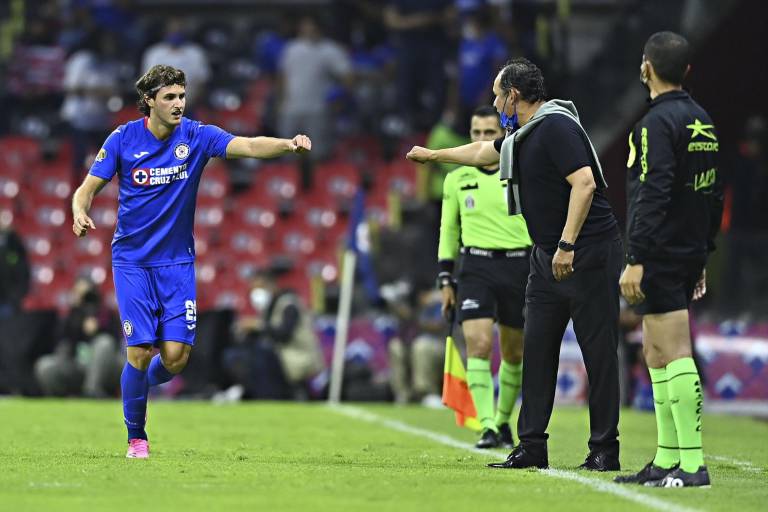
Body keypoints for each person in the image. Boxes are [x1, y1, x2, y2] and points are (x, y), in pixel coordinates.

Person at [71, 64, 312, 458]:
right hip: (132, 262)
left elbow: (249, 146)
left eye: (181, 96)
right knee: (138, 351)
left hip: (176, 264)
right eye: (169, 97)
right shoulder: (122, 138)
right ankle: (137, 438)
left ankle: (137, 383)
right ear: (149, 101)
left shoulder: (197, 136)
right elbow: (86, 189)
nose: (178, 103)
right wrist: (80, 212)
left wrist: (288, 144)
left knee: (176, 358)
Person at [407, 57, 623, 471]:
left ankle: (604, 450)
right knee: (536, 348)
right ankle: (531, 446)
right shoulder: (521, 135)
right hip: (546, 256)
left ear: (514, 96)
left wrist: (567, 244)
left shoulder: (556, 126)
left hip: (588, 252)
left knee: (598, 353)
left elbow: (584, 182)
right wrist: (434, 156)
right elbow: (481, 151)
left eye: (497, 95)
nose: (494, 103)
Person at [615, 31, 723, 488]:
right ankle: (665, 459)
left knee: (674, 351)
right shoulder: (702, 120)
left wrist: (636, 256)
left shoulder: (655, 124)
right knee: (655, 351)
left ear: (647, 67)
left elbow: (652, 192)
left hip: (659, 251)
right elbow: (713, 192)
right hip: (686, 248)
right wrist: (703, 252)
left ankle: (693, 465)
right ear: (687, 71)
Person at [437, 105, 531, 448]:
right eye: (476, 133)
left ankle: (503, 421)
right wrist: (445, 277)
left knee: (514, 352)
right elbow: (449, 230)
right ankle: (487, 425)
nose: (481, 139)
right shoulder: (457, 178)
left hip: (519, 264)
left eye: (488, 133)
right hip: (475, 266)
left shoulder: (520, 170)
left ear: (502, 134)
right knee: (477, 344)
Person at [220, 267, 325, 400]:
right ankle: (245, 391)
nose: (256, 292)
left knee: (262, 353)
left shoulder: (289, 304)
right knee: (237, 354)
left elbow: (284, 335)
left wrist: (257, 326)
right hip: (281, 357)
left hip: (298, 357)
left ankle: (269, 396)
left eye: (260, 287)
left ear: (271, 285)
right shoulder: (270, 307)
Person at [34, 278, 122, 397]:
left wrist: (98, 328)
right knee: (45, 365)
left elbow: (114, 342)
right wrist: (77, 321)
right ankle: (62, 401)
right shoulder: (71, 315)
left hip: (105, 368)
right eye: (78, 293)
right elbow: (62, 341)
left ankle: (92, 390)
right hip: (77, 364)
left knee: (104, 342)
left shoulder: (106, 314)